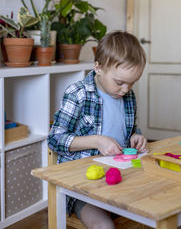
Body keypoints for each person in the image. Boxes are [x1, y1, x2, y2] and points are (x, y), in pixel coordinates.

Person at [48, 30, 148, 229]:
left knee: (155, 205)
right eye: (120, 82)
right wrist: (96, 140)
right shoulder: (78, 94)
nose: (126, 89)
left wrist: (136, 135)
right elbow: (55, 139)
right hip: (83, 186)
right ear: (98, 68)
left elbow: (126, 127)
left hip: (119, 176)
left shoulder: (127, 96)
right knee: (104, 226)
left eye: (132, 83)